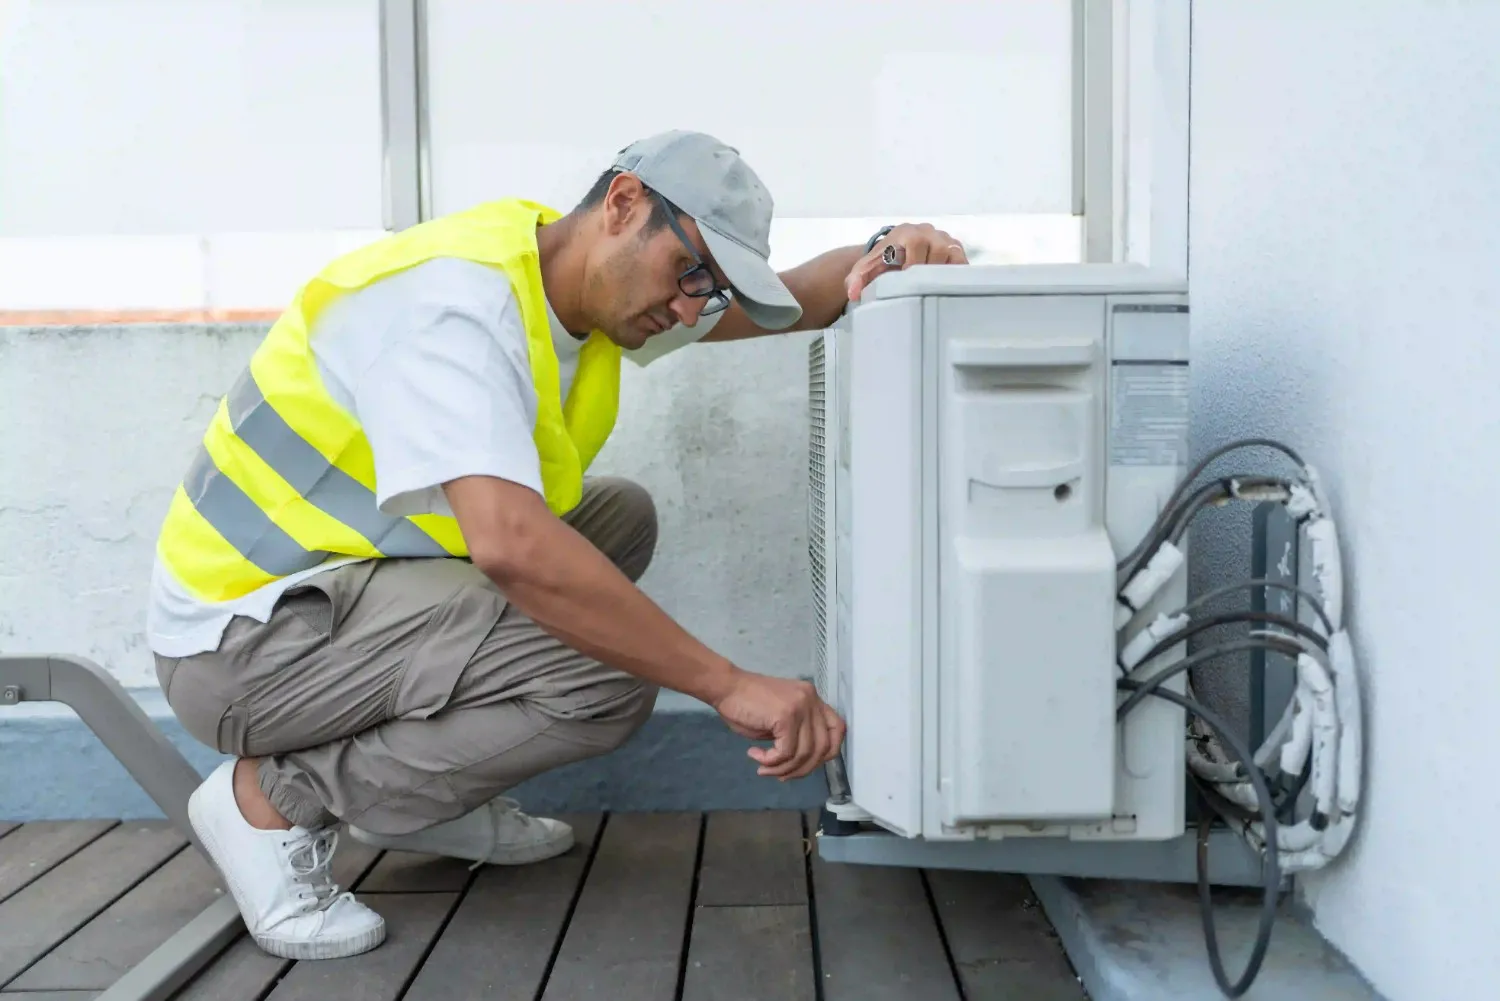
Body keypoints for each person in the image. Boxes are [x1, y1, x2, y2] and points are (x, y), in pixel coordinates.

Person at [147, 129, 968, 959]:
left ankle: (436, 795)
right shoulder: (454, 307)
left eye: (712, 291)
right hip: (241, 648)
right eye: (692, 276)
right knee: (604, 676)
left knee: (618, 521)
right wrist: (728, 684)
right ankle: (269, 799)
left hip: (337, 597)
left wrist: (888, 251)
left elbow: (794, 295)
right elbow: (511, 549)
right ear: (622, 203)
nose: (693, 309)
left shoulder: (578, 284)